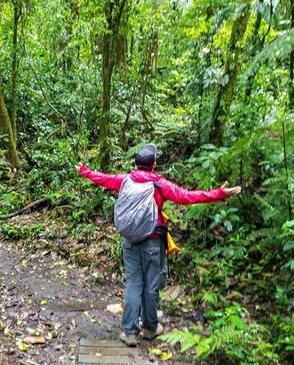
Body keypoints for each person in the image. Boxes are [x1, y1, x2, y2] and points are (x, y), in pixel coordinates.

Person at [77, 144, 241, 347]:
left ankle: (129, 332)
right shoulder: (159, 184)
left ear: (135, 164)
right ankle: (150, 328)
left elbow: (101, 178)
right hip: (153, 242)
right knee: (151, 285)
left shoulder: (124, 180)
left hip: (130, 241)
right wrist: (219, 193)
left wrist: (84, 171)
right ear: (154, 165)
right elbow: (186, 197)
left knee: (134, 284)